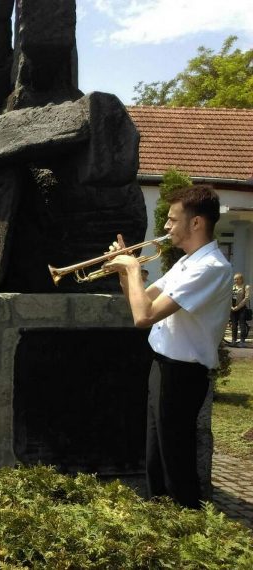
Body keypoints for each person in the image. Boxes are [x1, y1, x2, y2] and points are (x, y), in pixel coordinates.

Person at [105, 185, 232, 509]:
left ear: (196, 223)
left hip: (183, 374)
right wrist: (125, 271)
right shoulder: (187, 263)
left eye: (172, 220)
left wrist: (133, 269)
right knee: (156, 460)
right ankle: (161, 526)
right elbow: (143, 300)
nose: (165, 227)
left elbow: (142, 317)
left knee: (176, 465)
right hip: (163, 367)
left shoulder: (211, 268)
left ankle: (187, 529)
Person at [231, 273, 250, 347]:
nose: (235, 280)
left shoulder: (246, 287)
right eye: (234, 279)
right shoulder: (233, 287)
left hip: (242, 308)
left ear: (241, 279)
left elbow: (246, 298)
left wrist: (237, 307)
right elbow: (229, 297)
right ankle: (233, 341)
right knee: (233, 325)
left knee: (242, 324)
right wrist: (231, 307)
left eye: (237, 279)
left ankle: (242, 342)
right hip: (233, 309)